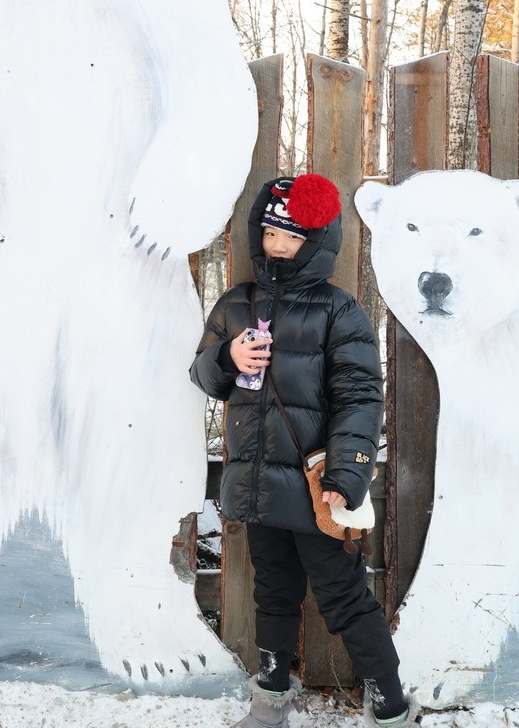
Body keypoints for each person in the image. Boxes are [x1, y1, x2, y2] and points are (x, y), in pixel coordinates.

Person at [190, 174, 419, 728]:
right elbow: (203, 374)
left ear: (315, 241)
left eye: (291, 237)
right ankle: (270, 698)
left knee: (343, 596)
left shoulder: (339, 311)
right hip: (259, 487)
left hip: (317, 488)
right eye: (270, 234)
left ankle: (390, 703)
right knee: (273, 594)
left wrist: (348, 473)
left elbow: (360, 396)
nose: (277, 246)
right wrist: (227, 358)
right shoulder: (237, 304)